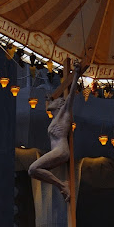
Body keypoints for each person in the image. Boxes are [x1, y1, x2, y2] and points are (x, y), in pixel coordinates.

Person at [28, 61, 81, 202]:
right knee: (34, 172)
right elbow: (49, 106)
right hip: (57, 151)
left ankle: (62, 185)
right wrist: (49, 99)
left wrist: (76, 74)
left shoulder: (65, 113)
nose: (52, 100)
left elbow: (71, 96)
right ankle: (62, 185)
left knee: (32, 169)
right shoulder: (55, 118)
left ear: (60, 103)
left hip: (61, 151)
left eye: (55, 100)